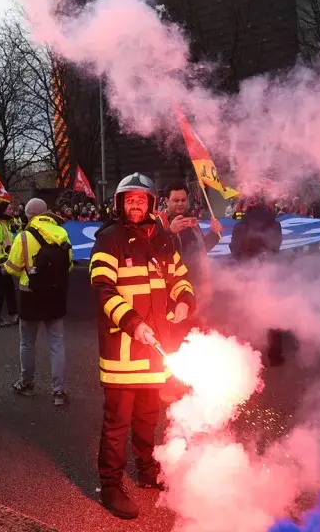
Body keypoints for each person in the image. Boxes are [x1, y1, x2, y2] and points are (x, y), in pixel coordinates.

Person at [91, 173, 195, 520]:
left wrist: (183, 301)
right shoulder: (109, 239)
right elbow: (103, 289)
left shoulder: (164, 240)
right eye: (129, 199)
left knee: (148, 419)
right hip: (122, 355)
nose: (135, 205)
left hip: (156, 354)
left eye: (141, 199)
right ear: (120, 203)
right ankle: (110, 485)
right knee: (117, 423)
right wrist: (133, 323)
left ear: (152, 203)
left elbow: (180, 278)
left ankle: (148, 472)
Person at [4, 198, 72, 406]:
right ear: (47, 213)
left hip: (29, 294)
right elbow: (68, 265)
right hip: (55, 294)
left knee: (27, 343)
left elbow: (12, 268)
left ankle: (27, 384)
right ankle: (59, 392)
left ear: (28, 214)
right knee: (56, 344)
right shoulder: (61, 233)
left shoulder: (23, 236)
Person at [230, 195, 285, 364]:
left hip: (246, 276)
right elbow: (276, 246)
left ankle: (247, 355)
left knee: (246, 314)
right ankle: (275, 355)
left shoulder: (240, 226)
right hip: (269, 275)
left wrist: (244, 260)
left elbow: (234, 249)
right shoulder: (274, 225)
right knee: (273, 315)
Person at [160, 183, 220, 323]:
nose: (180, 204)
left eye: (183, 200)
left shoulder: (192, 221)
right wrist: (170, 233)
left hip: (197, 286)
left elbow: (201, 249)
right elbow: (155, 252)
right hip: (173, 290)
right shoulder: (158, 223)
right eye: (175, 200)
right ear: (166, 201)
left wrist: (214, 233)